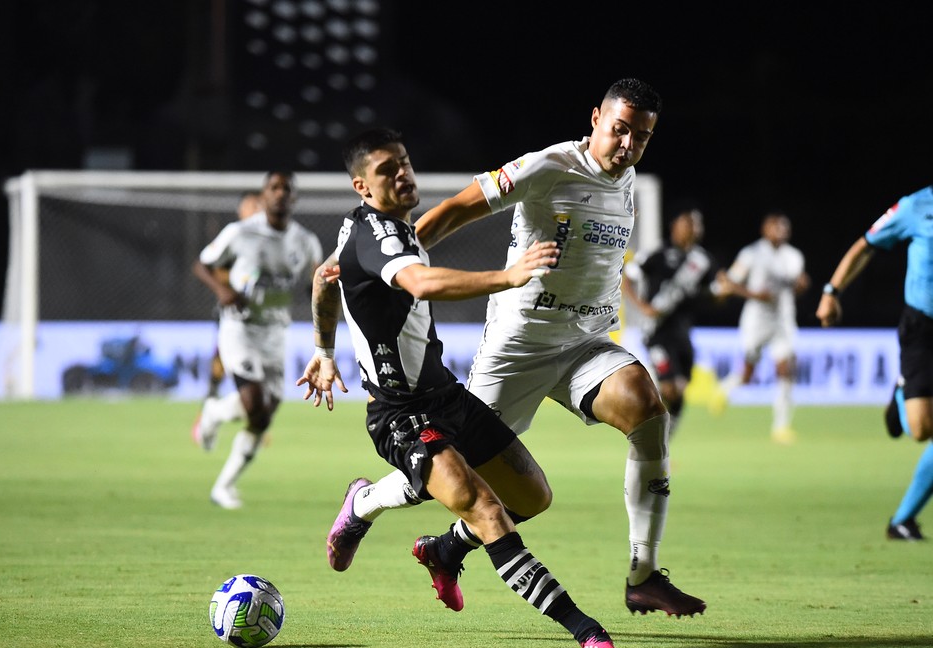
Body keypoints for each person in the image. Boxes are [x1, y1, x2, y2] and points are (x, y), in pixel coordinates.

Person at [309, 78, 706, 619]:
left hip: (586, 342)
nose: (628, 146)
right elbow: (456, 209)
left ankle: (643, 574)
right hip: (518, 347)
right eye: (619, 130)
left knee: (647, 409)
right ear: (595, 118)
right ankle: (367, 505)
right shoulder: (547, 167)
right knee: (455, 474)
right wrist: (390, 259)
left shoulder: (628, 176)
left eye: (641, 137)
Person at [297, 127, 617, 648]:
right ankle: (584, 629)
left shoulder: (375, 227)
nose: (402, 174)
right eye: (386, 170)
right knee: (486, 510)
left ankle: (428, 543)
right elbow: (421, 284)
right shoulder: (376, 235)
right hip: (400, 414)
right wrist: (508, 276)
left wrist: (324, 351)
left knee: (532, 496)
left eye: (403, 162)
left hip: (446, 395)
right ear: (362, 186)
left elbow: (324, 279)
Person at [192, 172, 322, 509]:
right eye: (273, 188)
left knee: (264, 416)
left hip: (276, 332)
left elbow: (316, 286)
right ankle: (218, 419)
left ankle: (223, 479)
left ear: (294, 199)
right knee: (253, 402)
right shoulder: (240, 233)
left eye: (286, 190)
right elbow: (202, 264)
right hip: (240, 328)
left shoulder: (306, 242)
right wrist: (223, 290)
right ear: (263, 196)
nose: (280, 194)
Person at [816, 184, 933, 541]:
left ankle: (902, 521)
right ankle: (901, 395)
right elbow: (866, 245)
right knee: (922, 430)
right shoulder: (917, 205)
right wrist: (831, 292)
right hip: (923, 328)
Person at [621, 203, 724, 436]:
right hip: (657, 332)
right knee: (670, 388)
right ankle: (650, 435)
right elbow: (627, 276)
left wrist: (722, 294)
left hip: (683, 333)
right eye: (689, 223)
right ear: (675, 226)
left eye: (697, 224)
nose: (694, 228)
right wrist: (642, 307)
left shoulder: (703, 261)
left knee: (680, 390)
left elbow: (715, 294)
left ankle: (663, 442)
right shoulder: (657, 254)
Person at [718, 212, 810, 444]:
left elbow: (796, 287)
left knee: (786, 369)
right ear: (764, 230)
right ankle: (723, 389)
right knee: (748, 375)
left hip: (783, 321)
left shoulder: (794, 256)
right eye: (775, 227)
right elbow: (729, 283)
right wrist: (754, 295)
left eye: (783, 227)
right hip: (756, 321)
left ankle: (781, 427)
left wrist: (802, 286)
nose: (780, 231)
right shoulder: (751, 254)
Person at [202, 190, 264, 401]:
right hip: (234, 312)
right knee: (225, 358)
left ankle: (249, 410)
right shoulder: (234, 237)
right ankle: (212, 399)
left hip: (260, 314)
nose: (256, 210)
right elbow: (207, 266)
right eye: (251, 206)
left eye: (259, 205)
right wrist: (225, 290)